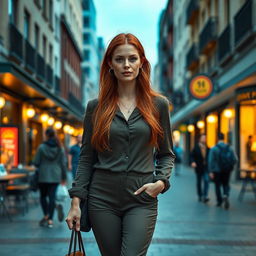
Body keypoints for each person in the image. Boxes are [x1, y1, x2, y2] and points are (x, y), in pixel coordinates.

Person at [66, 33, 175, 256]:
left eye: (132, 59)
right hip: (102, 199)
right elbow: (86, 157)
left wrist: (161, 183)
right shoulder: (95, 107)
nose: (126, 65)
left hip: (142, 198)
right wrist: (76, 202)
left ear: (142, 63)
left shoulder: (158, 105)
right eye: (119, 59)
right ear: (110, 64)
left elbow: (166, 153)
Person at [33, 128, 67, 228]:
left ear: (46, 135)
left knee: (43, 196)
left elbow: (36, 162)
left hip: (43, 176)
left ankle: (46, 215)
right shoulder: (60, 147)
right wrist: (64, 177)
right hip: (56, 175)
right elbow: (63, 164)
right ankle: (51, 220)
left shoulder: (41, 147)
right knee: (52, 197)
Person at [208, 133, 237, 209]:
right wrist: (230, 166)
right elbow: (235, 159)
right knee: (226, 184)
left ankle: (219, 201)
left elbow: (210, 161)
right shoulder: (229, 148)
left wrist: (210, 171)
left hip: (217, 171)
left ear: (217, 138)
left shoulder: (214, 148)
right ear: (224, 138)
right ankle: (226, 194)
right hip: (226, 170)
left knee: (217, 186)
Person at [190, 134, 210, 203]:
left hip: (206, 168)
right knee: (199, 182)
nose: (204, 139)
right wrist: (193, 162)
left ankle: (205, 195)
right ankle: (200, 195)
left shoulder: (207, 148)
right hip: (198, 167)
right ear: (200, 139)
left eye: (205, 138)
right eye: (203, 138)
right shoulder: (196, 147)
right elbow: (192, 156)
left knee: (206, 180)